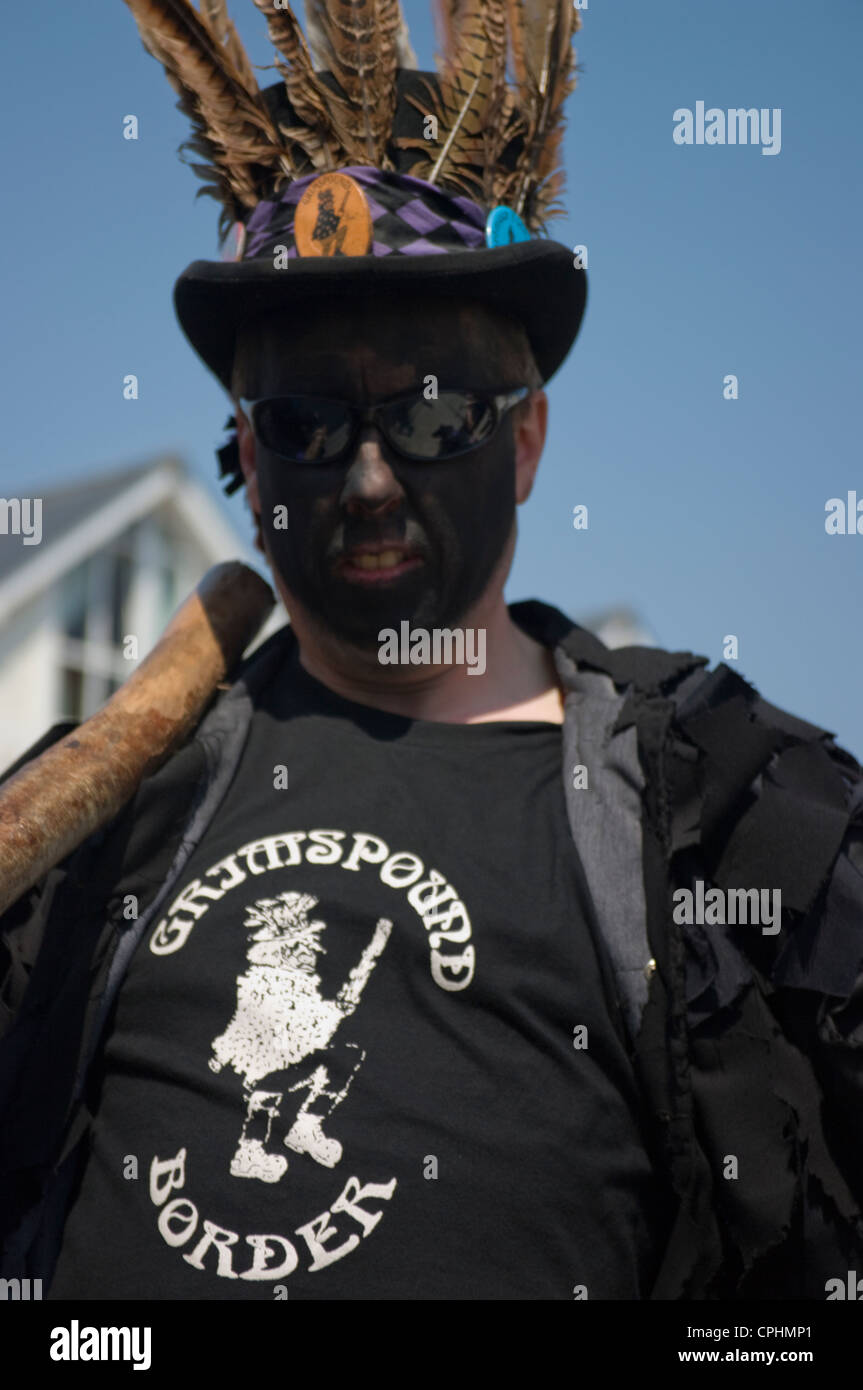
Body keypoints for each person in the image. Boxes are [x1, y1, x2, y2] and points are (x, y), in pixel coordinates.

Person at [1, 0, 861, 1301]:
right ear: (243, 454)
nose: (364, 477)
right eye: (301, 419)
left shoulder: (722, 815)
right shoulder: (103, 826)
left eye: (435, 414)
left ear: (526, 442)